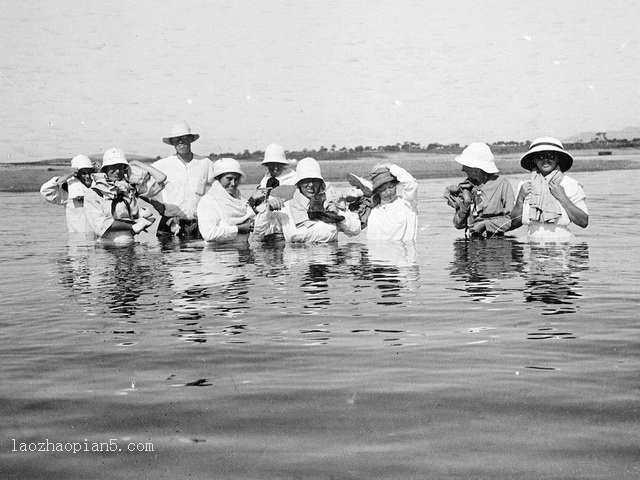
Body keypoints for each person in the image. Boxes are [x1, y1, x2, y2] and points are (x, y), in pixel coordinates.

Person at [252, 157, 360, 243]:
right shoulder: (287, 208)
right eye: (306, 181)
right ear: (298, 184)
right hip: (299, 266)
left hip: (327, 264)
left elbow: (355, 230)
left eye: (315, 180)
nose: (311, 185)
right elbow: (258, 232)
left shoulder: (330, 204)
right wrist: (268, 209)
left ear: (321, 183)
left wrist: (339, 214)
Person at [510, 137, 588, 242]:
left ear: (558, 159)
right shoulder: (524, 186)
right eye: (540, 156)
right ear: (534, 160)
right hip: (533, 245)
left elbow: (583, 222)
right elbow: (514, 223)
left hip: (562, 245)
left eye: (550, 156)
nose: (545, 160)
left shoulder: (570, 184)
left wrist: (562, 197)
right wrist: (520, 198)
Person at [84, 148, 166, 244]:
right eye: (113, 167)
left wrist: (136, 163)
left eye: (121, 167)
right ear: (105, 169)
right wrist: (134, 225)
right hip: (107, 246)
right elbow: (102, 226)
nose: (117, 171)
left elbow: (161, 178)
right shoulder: (94, 193)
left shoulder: (129, 188)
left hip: (130, 243)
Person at [150, 120, 216, 239]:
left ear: (191, 139)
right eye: (176, 139)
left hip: (199, 224)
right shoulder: (161, 165)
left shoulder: (205, 163)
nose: (181, 141)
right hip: (170, 225)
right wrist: (159, 207)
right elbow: (139, 188)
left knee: (200, 256)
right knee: (169, 257)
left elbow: (219, 189)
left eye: (184, 138)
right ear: (172, 142)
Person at [444, 142, 514, 238]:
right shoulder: (466, 186)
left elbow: (512, 220)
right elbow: (458, 225)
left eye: (466, 166)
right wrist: (466, 204)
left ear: (477, 168)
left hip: (495, 243)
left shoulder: (502, 184)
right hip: (471, 245)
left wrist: (486, 225)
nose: (463, 169)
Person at [196, 158, 255, 243]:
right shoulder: (208, 201)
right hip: (218, 253)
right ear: (218, 178)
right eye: (229, 179)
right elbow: (209, 234)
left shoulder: (241, 200)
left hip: (242, 251)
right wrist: (238, 229)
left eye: (236, 179)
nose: (233, 183)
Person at [40, 154, 97, 234]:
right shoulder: (68, 192)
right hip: (76, 240)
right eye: (83, 173)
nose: (87, 176)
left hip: (97, 240)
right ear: (76, 174)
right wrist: (64, 177)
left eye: (90, 172)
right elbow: (45, 191)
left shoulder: (99, 188)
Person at [366, 164, 419, 242]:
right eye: (383, 190)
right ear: (377, 191)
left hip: (405, 252)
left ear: (396, 185)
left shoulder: (407, 204)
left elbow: (410, 183)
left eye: (391, 187)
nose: (388, 192)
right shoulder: (373, 210)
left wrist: (389, 165)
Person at [248, 143, 298, 212]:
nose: (276, 167)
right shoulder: (265, 180)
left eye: (278, 164)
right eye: (272, 164)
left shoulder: (294, 179)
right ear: (267, 164)